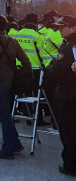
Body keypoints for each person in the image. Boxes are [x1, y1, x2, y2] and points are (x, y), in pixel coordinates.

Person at [0, 15, 30, 159]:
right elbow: (25, 60)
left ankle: (7, 149)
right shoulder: (12, 40)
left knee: (3, 116)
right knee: (6, 114)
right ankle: (15, 143)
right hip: (10, 81)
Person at [45, 15, 76, 176]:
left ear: (73, 28)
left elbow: (56, 71)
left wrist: (52, 65)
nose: (60, 29)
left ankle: (70, 166)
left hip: (68, 95)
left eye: (63, 26)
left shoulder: (68, 47)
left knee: (69, 132)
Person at [16, 13, 49, 126]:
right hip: (35, 68)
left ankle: (28, 117)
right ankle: (38, 118)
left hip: (20, 67)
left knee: (26, 93)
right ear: (36, 21)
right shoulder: (37, 35)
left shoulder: (18, 34)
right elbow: (42, 53)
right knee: (37, 95)